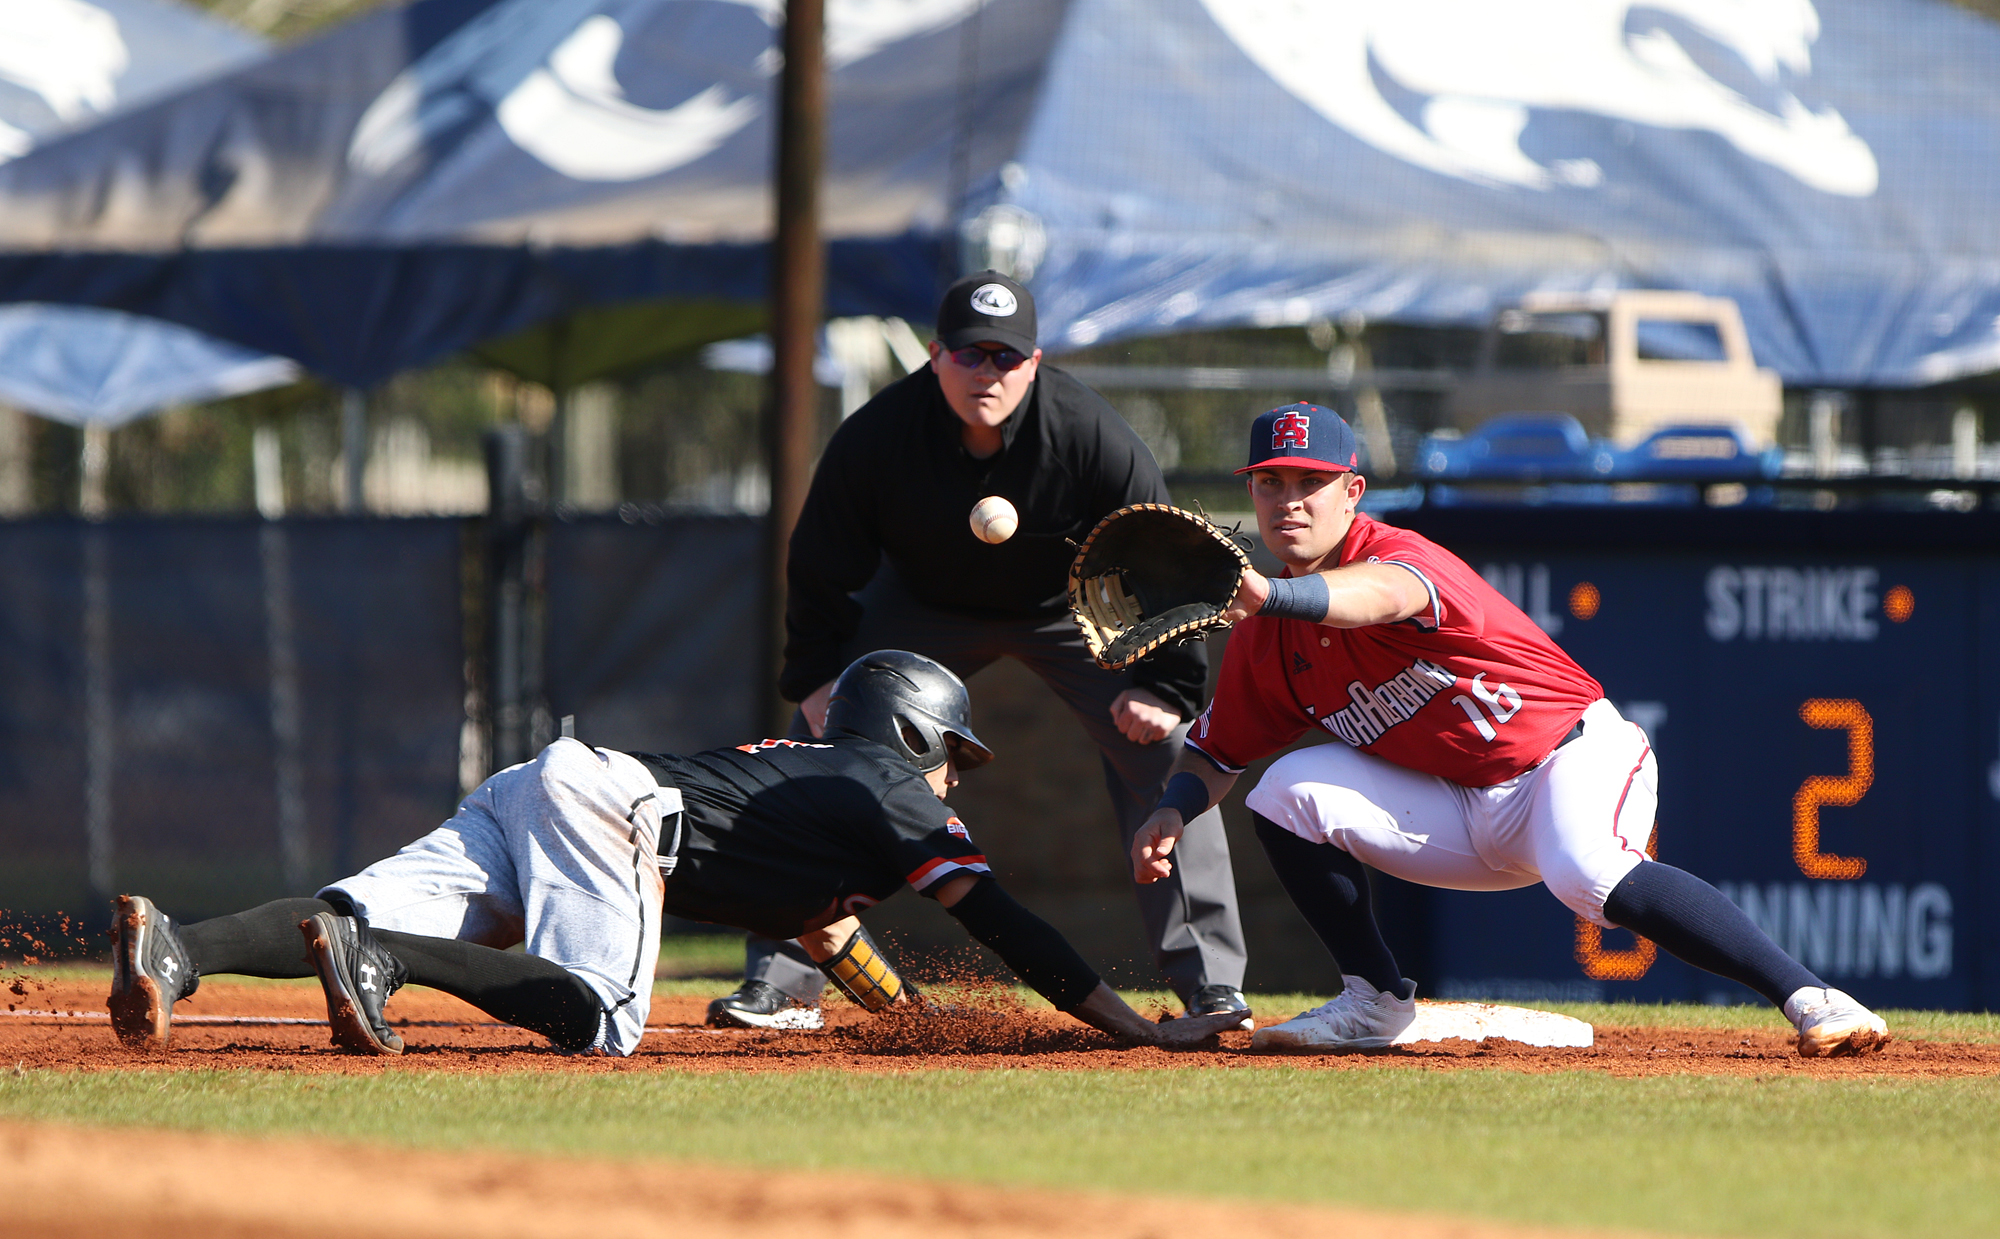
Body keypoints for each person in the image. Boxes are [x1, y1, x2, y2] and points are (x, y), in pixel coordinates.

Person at [1129, 402, 1890, 1057]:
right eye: (1270, 482)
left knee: (1587, 871)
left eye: (1310, 482)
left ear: (1353, 492)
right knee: (1284, 791)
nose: (1288, 500)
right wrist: (1173, 807)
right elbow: (1217, 750)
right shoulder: (1270, 638)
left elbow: (1380, 597)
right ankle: (1375, 999)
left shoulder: (1393, 555)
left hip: (1569, 759)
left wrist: (1267, 595)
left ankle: (1815, 997)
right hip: (1459, 806)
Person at [107, 651, 1247, 1056]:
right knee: (602, 1022)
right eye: (951, 751)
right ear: (909, 733)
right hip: (610, 818)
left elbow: (830, 937)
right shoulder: (890, 788)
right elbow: (1001, 921)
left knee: (343, 904)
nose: (954, 775)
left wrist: (912, 1022)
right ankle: (385, 968)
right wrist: (1136, 1024)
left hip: (547, 785)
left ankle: (174, 949)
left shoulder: (820, 793)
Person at [710, 270, 1249, 1031]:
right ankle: (781, 980)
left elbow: (1164, 555)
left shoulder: (1088, 432)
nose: (986, 372)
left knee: (1169, 751)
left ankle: (1213, 985)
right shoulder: (882, 432)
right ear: (935, 356)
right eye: (969, 354)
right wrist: (819, 675)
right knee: (817, 746)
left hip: (1069, 611)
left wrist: (1167, 686)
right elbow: (821, 558)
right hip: (923, 607)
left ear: (1034, 362)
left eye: (1005, 356)